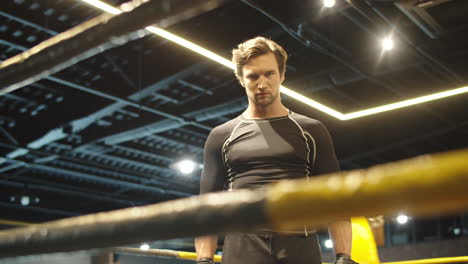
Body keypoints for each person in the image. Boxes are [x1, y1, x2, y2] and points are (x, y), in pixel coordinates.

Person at [194, 37, 357, 264]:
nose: (262, 83)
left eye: (269, 74)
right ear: (241, 79)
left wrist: (343, 256)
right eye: (253, 76)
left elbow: (336, 200)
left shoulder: (311, 130)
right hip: (242, 247)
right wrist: (204, 259)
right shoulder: (221, 136)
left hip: (300, 245)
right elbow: (207, 206)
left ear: (282, 75)